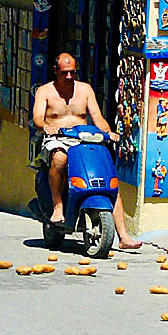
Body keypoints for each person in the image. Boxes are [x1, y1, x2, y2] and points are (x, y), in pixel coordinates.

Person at [32, 53, 118, 224]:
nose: (69, 77)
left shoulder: (85, 89)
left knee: (106, 171)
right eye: (65, 73)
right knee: (59, 159)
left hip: (82, 138)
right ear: (56, 70)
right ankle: (58, 206)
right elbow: (37, 119)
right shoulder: (45, 91)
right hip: (57, 138)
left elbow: (97, 117)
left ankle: (123, 235)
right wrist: (46, 127)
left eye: (72, 72)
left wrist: (109, 132)